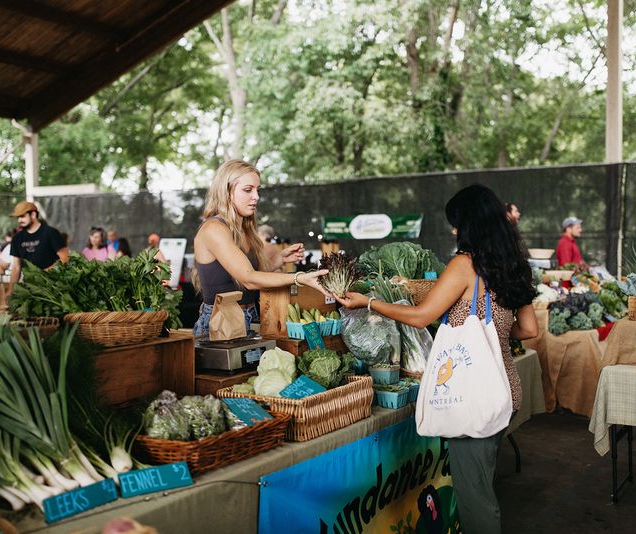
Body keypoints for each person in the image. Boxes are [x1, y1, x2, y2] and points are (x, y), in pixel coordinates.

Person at [336, 184, 537, 534]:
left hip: (474, 393)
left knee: (476, 499)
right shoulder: (514, 265)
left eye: (456, 223)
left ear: (470, 224)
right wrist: (494, 331)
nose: (454, 230)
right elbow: (529, 329)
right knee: (483, 481)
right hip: (506, 390)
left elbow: (421, 316)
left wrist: (368, 303)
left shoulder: (465, 264)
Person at [192, 159, 327, 338]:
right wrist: (299, 278)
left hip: (250, 315)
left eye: (257, 190)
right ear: (226, 192)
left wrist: (280, 259)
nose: (256, 196)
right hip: (220, 322)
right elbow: (248, 279)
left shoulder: (245, 229)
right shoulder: (213, 229)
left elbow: (251, 274)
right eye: (248, 190)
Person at [8, 201, 69, 293]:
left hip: (54, 287)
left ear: (33, 214)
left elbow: (65, 259)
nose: (19, 220)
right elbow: (16, 267)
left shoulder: (51, 233)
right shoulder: (17, 238)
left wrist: (42, 274)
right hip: (30, 288)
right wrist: (10, 291)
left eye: (22, 216)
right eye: (18, 217)